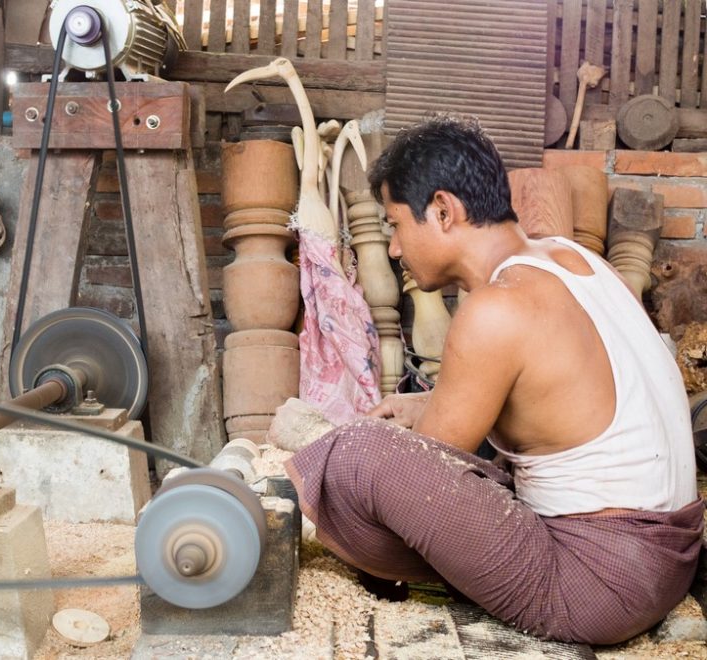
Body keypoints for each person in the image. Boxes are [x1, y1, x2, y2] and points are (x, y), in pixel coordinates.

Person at [284, 115, 704, 645]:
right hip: (667, 560)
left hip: (599, 585)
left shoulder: (494, 310)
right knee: (402, 438)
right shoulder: (572, 257)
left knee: (357, 456)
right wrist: (431, 402)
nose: (393, 248)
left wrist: (336, 446)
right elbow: (555, 395)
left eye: (395, 225)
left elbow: (426, 472)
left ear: (443, 211)